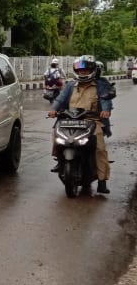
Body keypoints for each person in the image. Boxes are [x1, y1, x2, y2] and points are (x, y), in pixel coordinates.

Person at [48, 55, 113, 193]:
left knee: (99, 148)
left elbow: (106, 100)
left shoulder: (100, 85)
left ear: (92, 70)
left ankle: (102, 181)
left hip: (92, 121)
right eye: (80, 70)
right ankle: (60, 161)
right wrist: (54, 109)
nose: (82, 73)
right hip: (71, 119)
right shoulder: (71, 85)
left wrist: (105, 111)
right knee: (57, 135)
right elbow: (60, 99)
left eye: (85, 70)